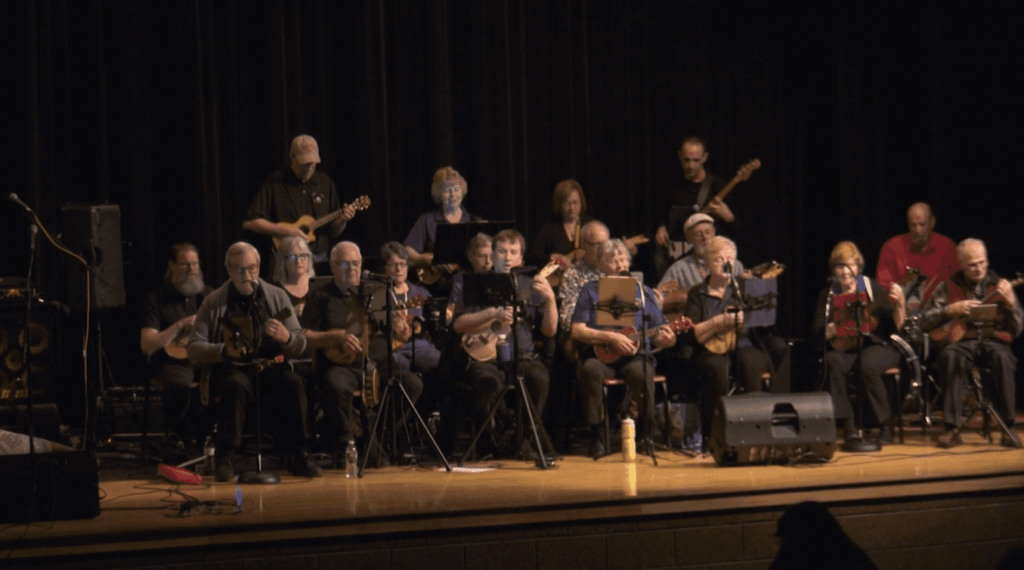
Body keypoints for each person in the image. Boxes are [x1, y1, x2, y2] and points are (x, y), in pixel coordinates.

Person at [187, 242, 319, 481]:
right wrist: (223, 350)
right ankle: (225, 458)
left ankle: (301, 454)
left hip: (270, 366)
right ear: (229, 270)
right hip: (233, 368)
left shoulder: (276, 297)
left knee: (294, 383)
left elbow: (300, 342)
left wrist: (286, 337)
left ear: (258, 268)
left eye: (251, 269)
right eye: (239, 270)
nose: (247, 276)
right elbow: (194, 348)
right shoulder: (214, 302)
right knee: (235, 385)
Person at [301, 242, 424, 462]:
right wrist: (335, 336)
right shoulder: (321, 297)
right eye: (345, 264)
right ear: (333, 267)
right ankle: (347, 441)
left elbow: (401, 336)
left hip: (379, 362)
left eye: (356, 263)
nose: (352, 269)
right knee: (335, 385)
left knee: (413, 384)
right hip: (342, 365)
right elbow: (304, 335)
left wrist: (401, 328)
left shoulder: (378, 291)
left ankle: (376, 434)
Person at [450, 229, 557, 457]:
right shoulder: (474, 283)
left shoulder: (531, 284)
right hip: (485, 357)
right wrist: (493, 313)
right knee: (487, 382)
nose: (508, 257)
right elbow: (458, 324)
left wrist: (550, 301)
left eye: (513, 252)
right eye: (502, 251)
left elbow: (550, 330)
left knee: (539, 377)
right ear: (493, 254)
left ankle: (522, 442)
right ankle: (487, 445)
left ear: (521, 258)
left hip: (522, 356)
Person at [570, 239, 678, 458]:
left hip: (635, 356)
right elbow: (577, 330)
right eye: (613, 260)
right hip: (601, 355)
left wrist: (667, 339)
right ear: (600, 264)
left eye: (623, 259)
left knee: (642, 372)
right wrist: (608, 336)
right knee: (588, 369)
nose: (620, 264)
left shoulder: (643, 291)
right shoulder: (590, 290)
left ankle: (645, 434)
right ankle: (597, 435)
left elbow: (661, 332)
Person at [920, 238, 1022, 448]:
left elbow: (1018, 328)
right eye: (972, 264)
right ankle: (952, 428)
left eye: (982, 262)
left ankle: (1007, 426)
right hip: (962, 343)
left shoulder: (1000, 285)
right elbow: (924, 321)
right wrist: (951, 310)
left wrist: (1011, 303)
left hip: (994, 341)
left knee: (1003, 358)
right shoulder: (947, 286)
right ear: (961, 264)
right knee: (950, 356)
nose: (978, 269)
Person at [686, 237, 777, 446]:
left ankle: (755, 431)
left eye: (730, 259)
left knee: (751, 362)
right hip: (710, 350)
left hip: (744, 345)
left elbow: (765, 324)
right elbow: (691, 334)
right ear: (707, 263)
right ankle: (716, 435)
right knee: (717, 369)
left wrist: (754, 314)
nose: (726, 263)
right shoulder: (697, 294)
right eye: (719, 259)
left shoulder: (743, 288)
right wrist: (718, 322)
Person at [810, 241, 905, 443]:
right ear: (834, 270)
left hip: (874, 344)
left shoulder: (869, 286)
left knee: (867, 364)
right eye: (840, 266)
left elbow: (894, 324)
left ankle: (885, 424)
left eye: (850, 265)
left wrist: (901, 304)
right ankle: (849, 426)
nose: (845, 271)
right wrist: (830, 329)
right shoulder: (829, 293)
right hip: (845, 347)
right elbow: (816, 329)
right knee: (832, 361)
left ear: (858, 267)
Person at [140, 243, 213, 446]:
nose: (192, 270)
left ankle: (216, 441)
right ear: (172, 266)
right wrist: (181, 324)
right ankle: (179, 437)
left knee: (233, 380)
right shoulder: (156, 299)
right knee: (180, 386)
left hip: (207, 359)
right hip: (173, 363)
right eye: (184, 265)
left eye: (195, 264)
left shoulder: (209, 296)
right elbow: (147, 345)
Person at [243, 135, 356, 267]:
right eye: (305, 163)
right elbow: (250, 223)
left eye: (313, 163)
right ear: (292, 157)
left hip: (319, 260)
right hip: (288, 261)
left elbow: (333, 233)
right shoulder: (275, 183)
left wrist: (342, 220)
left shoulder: (325, 183)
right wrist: (286, 231)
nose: (310, 167)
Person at [654, 136, 737, 278]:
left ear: (705, 157)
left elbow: (741, 232)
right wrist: (661, 227)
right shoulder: (671, 186)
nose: (691, 165)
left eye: (696, 160)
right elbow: (662, 215)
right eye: (687, 160)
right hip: (676, 258)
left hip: (709, 260)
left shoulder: (718, 186)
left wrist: (729, 217)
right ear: (679, 156)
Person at [405, 166, 483, 287]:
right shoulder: (427, 221)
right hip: (435, 286)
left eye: (456, 189)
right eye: (447, 190)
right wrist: (429, 261)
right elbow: (407, 251)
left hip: (468, 284)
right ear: (439, 194)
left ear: (462, 191)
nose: (453, 195)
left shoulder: (476, 222)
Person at [876, 202, 959, 311]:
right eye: (913, 225)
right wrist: (901, 303)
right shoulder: (891, 248)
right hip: (902, 314)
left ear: (932, 222)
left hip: (941, 315)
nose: (918, 230)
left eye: (922, 224)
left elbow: (958, 287)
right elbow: (884, 290)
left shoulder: (947, 247)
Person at [658, 213, 745, 313]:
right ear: (689, 239)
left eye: (708, 232)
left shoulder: (734, 264)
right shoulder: (679, 269)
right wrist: (682, 297)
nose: (704, 237)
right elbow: (656, 300)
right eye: (698, 234)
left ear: (714, 234)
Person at [379, 241, 441, 377]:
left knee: (438, 361)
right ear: (384, 268)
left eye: (402, 264)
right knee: (397, 367)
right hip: (392, 348)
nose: (399, 269)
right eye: (394, 265)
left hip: (418, 345)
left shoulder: (421, 293)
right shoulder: (378, 294)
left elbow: (433, 322)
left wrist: (444, 315)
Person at [558, 221, 610, 332]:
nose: (603, 249)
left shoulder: (615, 270)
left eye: (605, 244)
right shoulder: (572, 275)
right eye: (597, 245)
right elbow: (566, 319)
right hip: (589, 333)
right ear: (583, 244)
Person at [528, 179, 591, 267]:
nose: (572, 208)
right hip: (559, 278)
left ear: (581, 203)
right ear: (559, 205)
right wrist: (551, 258)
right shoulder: (550, 228)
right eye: (567, 204)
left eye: (575, 203)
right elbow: (533, 258)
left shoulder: (590, 226)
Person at [272, 236, 316, 317]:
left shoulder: (317, 284)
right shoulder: (275, 291)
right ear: (283, 261)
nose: (298, 261)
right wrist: (292, 311)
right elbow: (271, 321)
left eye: (302, 255)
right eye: (292, 257)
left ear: (308, 258)